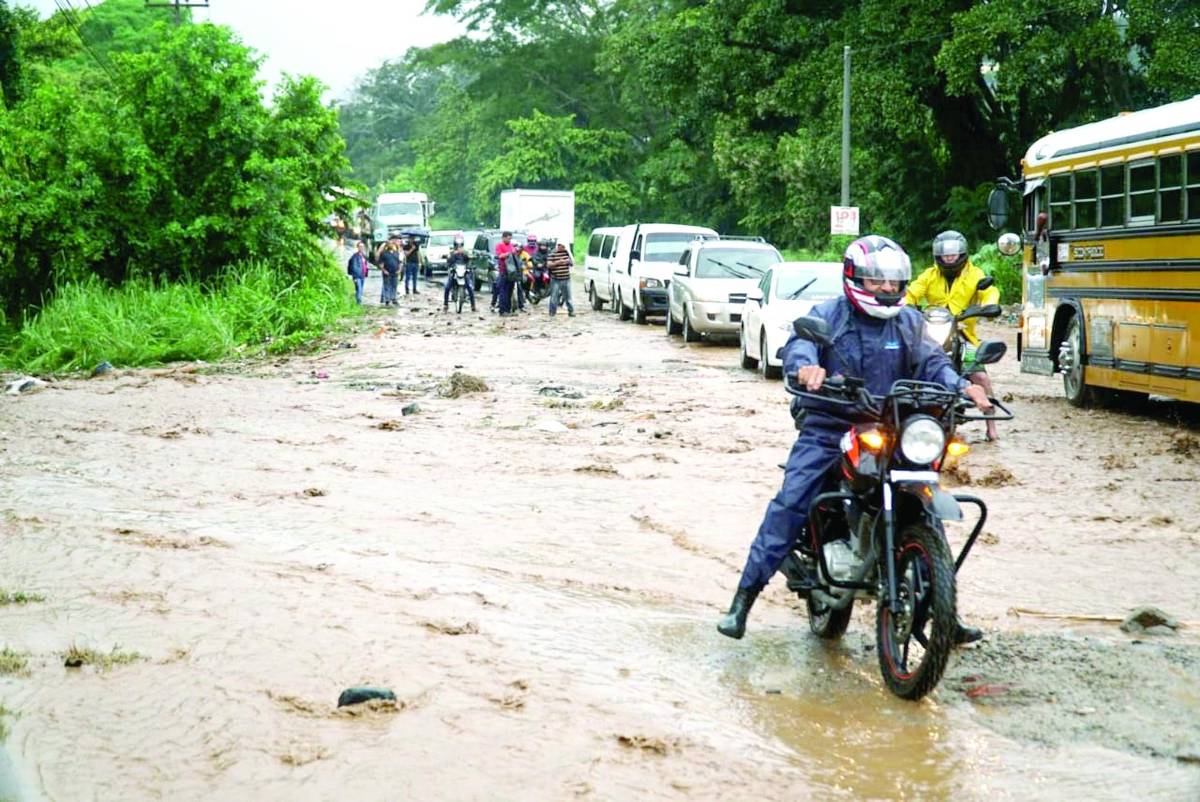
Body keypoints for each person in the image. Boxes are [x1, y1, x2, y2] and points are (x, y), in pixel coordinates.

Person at [716, 235, 994, 643]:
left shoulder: (910, 322)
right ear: (853, 279)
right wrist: (807, 368)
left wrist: (962, 385)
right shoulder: (829, 314)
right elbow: (801, 345)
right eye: (876, 281)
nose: (887, 289)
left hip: (895, 428)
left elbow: (933, 362)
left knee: (929, 507)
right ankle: (743, 600)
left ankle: (942, 612)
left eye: (894, 282)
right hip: (832, 425)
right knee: (792, 501)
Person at [906, 230, 1003, 441]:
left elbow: (989, 292)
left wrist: (989, 306)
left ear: (962, 254)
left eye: (953, 255)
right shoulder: (929, 275)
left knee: (980, 376)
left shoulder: (975, 274)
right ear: (937, 256)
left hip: (963, 334)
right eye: (945, 255)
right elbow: (912, 292)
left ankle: (991, 424)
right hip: (930, 333)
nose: (949, 258)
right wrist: (905, 306)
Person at [442, 235, 476, 313]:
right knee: (447, 287)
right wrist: (452, 255)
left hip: (463, 271)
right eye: (457, 245)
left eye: (460, 245)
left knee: (470, 287)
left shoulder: (465, 252)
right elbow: (448, 260)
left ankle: (473, 305)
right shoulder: (451, 252)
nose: (459, 247)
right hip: (454, 271)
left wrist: (467, 256)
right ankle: (445, 305)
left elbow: (469, 259)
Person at [547, 242, 575, 317]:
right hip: (555, 278)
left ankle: (571, 311)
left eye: (563, 246)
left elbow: (572, 263)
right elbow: (549, 265)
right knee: (554, 297)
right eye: (560, 246)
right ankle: (552, 312)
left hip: (566, 278)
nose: (562, 248)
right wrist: (558, 262)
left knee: (568, 297)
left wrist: (568, 261)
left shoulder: (567, 253)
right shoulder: (552, 253)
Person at [492, 231, 516, 312]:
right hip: (503, 271)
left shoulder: (511, 245)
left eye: (510, 238)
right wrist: (508, 254)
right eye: (508, 238)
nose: (509, 240)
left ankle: (508, 310)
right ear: (504, 238)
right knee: (503, 291)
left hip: (511, 272)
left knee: (510, 291)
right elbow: (499, 256)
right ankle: (502, 310)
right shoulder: (499, 245)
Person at [377, 238, 401, 306]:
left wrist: (399, 270)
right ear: (387, 245)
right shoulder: (384, 253)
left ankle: (393, 298)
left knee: (394, 286)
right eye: (389, 244)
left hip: (395, 272)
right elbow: (381, 263)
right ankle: (387, 299)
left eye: (392, 244)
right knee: (387, 286)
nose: (391, 245)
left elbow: (400, 262)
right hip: (387, 272)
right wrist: (384, 270)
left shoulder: (396, 253)